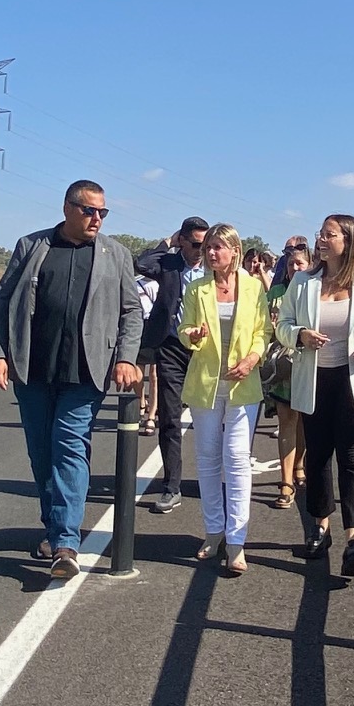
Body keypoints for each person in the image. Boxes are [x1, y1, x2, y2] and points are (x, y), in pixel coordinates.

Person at [0, 180, 144, 579]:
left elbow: (131, 311)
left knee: (69, 447)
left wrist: (126, 358)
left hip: (86, 370)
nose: (97, 219)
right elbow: (2, 301)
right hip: (33, 368)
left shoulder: (116, 254)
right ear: (67, 208)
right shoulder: (31, 246)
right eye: (89, 210)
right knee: (42, 454)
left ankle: (65, 545)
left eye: (103, 212)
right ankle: (55, 527)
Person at [276, 214, 354, 577]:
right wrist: (300, 335)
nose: (321, 240)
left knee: (353, 460)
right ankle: (320, 528)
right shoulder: (303, 282)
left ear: (348, 241)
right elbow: (282, 326)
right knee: (317, 459)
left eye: (329, 235)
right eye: (321, 234)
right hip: (314, 380)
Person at [176, 224, 269, 576]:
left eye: (218, 247)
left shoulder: (253, 287)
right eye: (208, 248)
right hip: (206, 384)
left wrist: (251, 360)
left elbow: (263, 331)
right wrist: (192, 334)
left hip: (243, 384)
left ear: (234, 251)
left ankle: (236, 541)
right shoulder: (197, 288)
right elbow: (183, 329)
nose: (211, 253)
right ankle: (213, 531)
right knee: (207, 459)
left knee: (237, 459)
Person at [135, 217, 209, 513]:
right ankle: (171, 486)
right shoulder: (169, 264)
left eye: (206, 244)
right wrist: (168, 242)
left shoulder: (213, 268)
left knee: (211, 418)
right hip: (171, 347)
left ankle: (210, 482)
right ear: (183, 241)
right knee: (170, 417)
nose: (202, 250)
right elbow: (141, 263)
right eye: (196, 244)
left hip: (206, 350)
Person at [263, 243, 313, 508]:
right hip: (282, 364)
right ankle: (286, 482)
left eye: (300, 263)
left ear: (310, 265)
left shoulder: (316, 290)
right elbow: (263, 326)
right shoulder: (276, 293)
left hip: (308, 364)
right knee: (287, 421)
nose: (295, 268)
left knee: (304, 421)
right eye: (291, 264)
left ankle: (299, 465)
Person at [134, 273, 161, 435]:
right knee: (137, 372)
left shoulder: (155, 284)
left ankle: (151, 415)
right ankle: (141, 403)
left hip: (154, 327)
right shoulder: (133, 282)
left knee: (155, 375)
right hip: (138, 327)